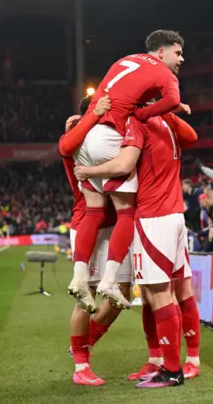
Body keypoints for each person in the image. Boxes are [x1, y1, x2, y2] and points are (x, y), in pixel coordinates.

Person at [74, 111, 201, 388]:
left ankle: (172, 369)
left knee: (158, 294)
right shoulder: (166, 120)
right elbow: (192, 136)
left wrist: (88, 171)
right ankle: (170, 362)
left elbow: (124, 164)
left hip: (154, 215)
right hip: (175, 212)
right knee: (165, 292)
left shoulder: (138, 120)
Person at [68, 29, 191, 313]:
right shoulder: (165, 75)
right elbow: (170, 101)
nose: (181, 59)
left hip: (87, 135)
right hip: (111, 136)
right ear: (161, 52)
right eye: (178, 53)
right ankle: (110, 280)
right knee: (126, 211)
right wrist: (143, 113)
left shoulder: (124, 61)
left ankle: (79, 278)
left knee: (95, 210)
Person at [61, 97, 132, 386]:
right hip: (87, 223)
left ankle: (84, 344)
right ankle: (80, 366)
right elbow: (66, 146)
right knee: (85, 297)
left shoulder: (113, 139)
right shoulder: (78, 140)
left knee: (121, 294)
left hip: (115, 227)